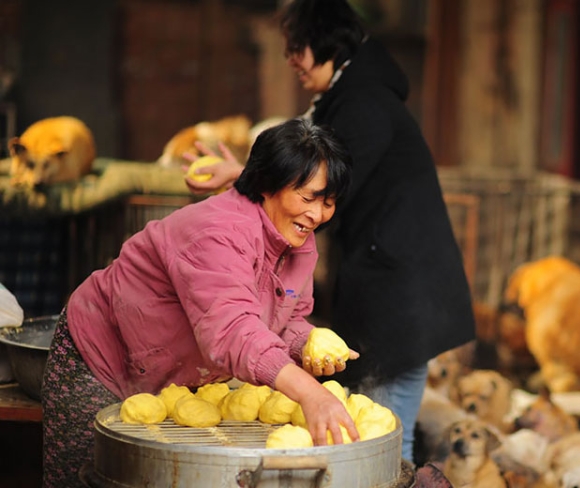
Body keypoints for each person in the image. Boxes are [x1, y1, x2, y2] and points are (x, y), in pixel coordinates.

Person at [186, 0, 477, 463]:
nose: (291, 60)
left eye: (296, 47)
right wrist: (245, 174)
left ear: (324, 43)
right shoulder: (353, 97)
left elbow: (322, 192)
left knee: (380, 442)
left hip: (400, 299)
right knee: (376, 434)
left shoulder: (363, 104)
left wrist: (249, 180)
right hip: (396, 289)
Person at [41, 118, 357, 488]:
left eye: (328, 202)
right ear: (267, 185)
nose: (317, 215)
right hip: (99, 358)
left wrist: (310, 346)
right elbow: (232, 331)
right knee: (86, 478)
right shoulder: (218, 233)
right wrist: (310, 394)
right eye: (307, 199)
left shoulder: (298, 241)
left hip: (169, 375)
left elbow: (288, 319)